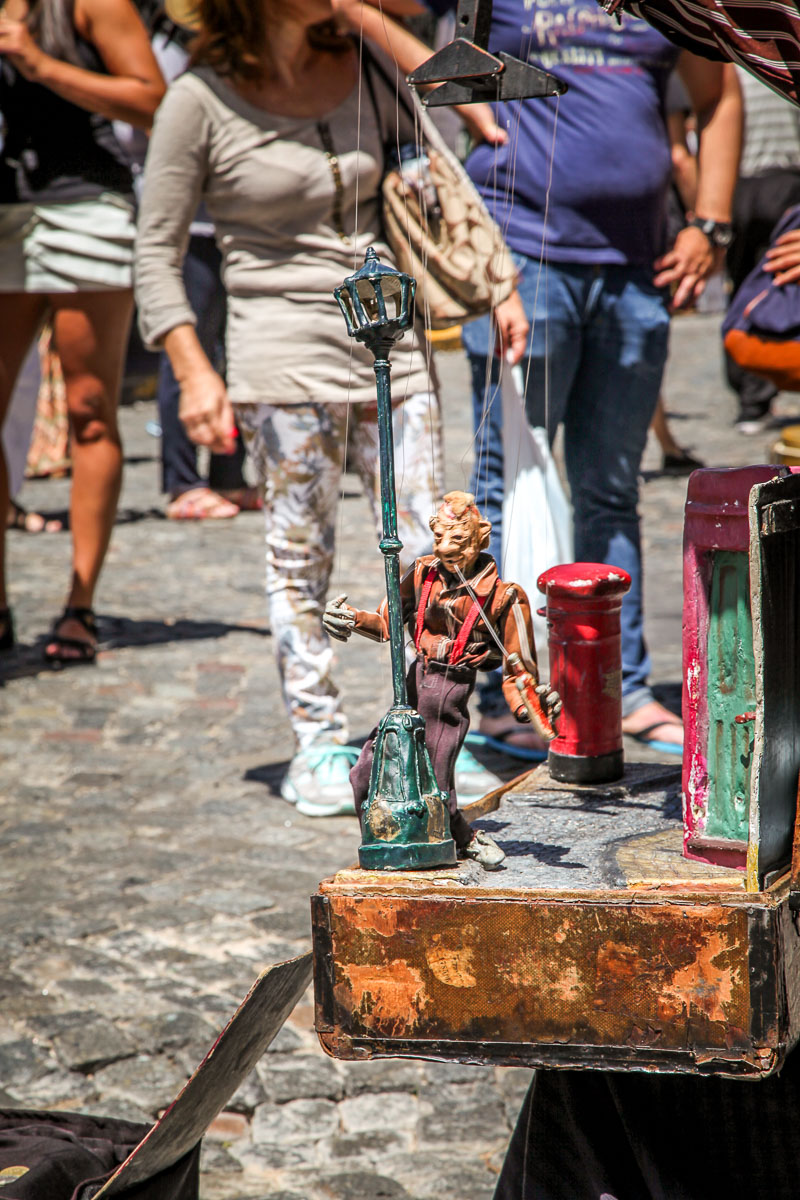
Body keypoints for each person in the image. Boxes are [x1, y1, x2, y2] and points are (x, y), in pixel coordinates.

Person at [134, 0, 529, 815]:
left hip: (395, 343)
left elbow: (451, 109)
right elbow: (156, 254)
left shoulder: (367, 61)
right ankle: (317, 740)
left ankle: (434, 731)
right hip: (283, 356)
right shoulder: (199, 100)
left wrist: (363, 16)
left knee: (436, 547)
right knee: (299, 556)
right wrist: (193, 370)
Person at [392, 0, 741, 755]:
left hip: (636, 269)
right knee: (497, 489)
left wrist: (710, 221)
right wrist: (449, 105)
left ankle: (617, 687)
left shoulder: (667, 4)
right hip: (520, 262)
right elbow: (359, 10)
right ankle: (492, 694)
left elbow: (718, 93)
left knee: (611, 488)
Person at [0, 0, 164, 661]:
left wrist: (38, 64)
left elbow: (154, 101)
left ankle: (80, 604)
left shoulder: (90, 3)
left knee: (90, 410)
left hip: (86, 210)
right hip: (6, 213)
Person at [324, 490, 561, 869]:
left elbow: (519, 672)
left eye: (459, 540)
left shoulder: (504, 597)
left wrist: (531, 707)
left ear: (480, 539)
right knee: (366, 771)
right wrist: (351, 618)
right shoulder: (422, 574)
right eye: (440, 537)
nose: (447, 547)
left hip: (449, 695)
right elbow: (386, 623)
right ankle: (384, 840)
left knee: (435, 786)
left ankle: (461, 841)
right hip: (412, 687)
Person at [725, 67, 800, 434]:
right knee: (777, 281)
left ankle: (752, 399)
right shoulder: (783, 64)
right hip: (780, 180)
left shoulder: (734, 66)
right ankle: (759, 386)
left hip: (743, 184)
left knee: (752, 284)